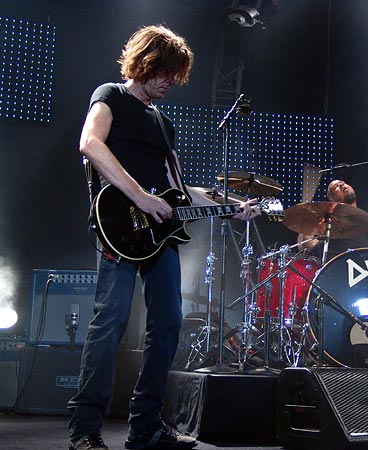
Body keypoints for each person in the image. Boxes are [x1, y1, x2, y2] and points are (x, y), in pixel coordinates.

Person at [68, 25, 260, 450]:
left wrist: (231, 207)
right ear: (145, 63)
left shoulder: (163, 122)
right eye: (164, 71)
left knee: (168, 324)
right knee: (110, 323)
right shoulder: (110, 95)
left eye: (176, 73)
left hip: (160, 238)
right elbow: (90, 144)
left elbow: (180, 190)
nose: (170, 80)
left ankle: (146, 428)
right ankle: (84, 430)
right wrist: (140, 196)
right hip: (118, 226)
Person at [298, 179, 368, 260]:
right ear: (332, 200)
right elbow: (307, 245)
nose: (341, 185)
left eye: (343, 183)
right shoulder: (331, 223)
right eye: (335, 187)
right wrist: (308, 221)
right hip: (345, 267)